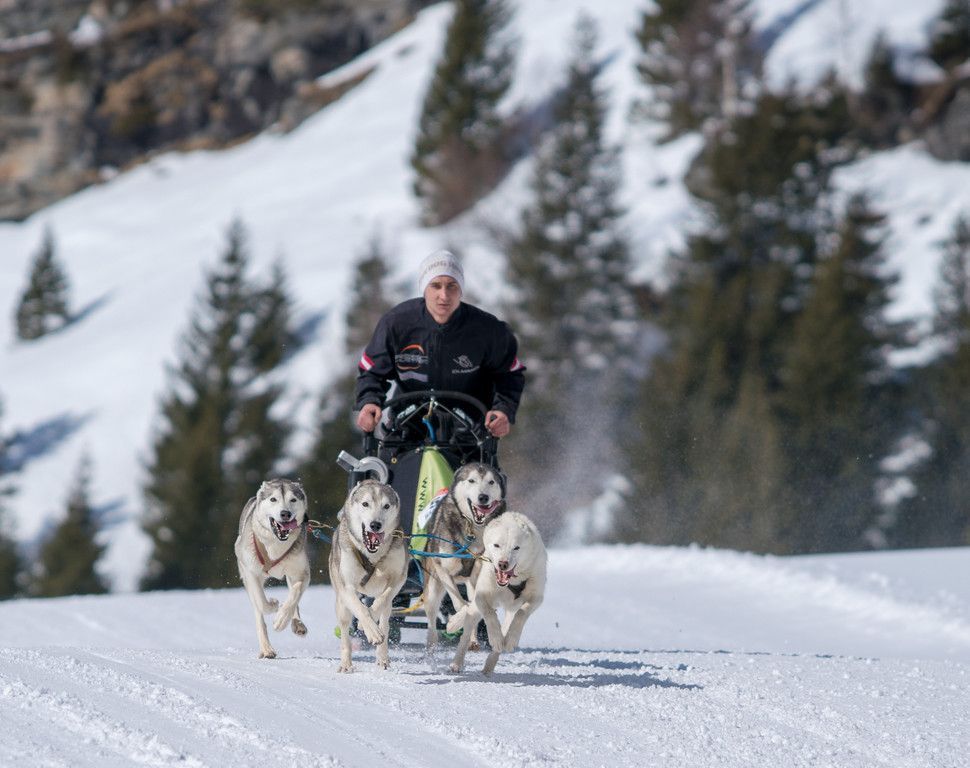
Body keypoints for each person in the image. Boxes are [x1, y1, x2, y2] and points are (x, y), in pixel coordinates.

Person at [354, 250, 525, 438]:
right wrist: (369, 401)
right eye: (436, 285)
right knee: (389, 466)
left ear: (460, 289)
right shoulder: (396, 324)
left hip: (470, 431)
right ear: (424, 288)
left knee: (477, 469)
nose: (444, 295)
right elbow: (371, 371)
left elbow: (510, 374)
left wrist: (502, 411)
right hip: (407, 425)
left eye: (452, 286)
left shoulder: (488, 329)